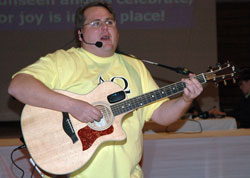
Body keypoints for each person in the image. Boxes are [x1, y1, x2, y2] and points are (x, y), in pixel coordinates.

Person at [8, 2, 203, 178]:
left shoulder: (134, 65)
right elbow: (18, 86)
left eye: (110, 22)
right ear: (80, 34)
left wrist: (185, 100)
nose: (105, 27)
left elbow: (160, 115)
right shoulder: (63, 61)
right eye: (95, 23)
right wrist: (74, 106)